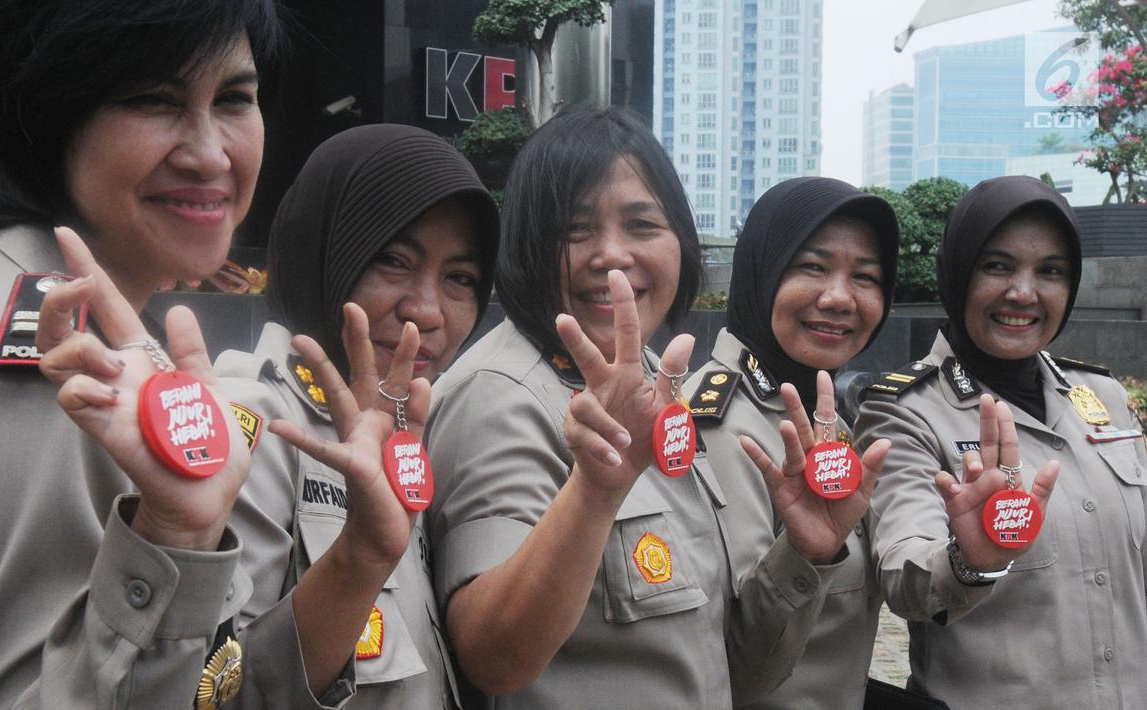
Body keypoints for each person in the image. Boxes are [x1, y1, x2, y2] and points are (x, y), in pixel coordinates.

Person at [424, 107, 884, 708]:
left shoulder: (653, 383)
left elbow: (729, 671)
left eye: (642, 225)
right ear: (528, 245)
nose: (612, 255)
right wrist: (594, 492)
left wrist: (807, 551)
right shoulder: (501, 393)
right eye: (575, 229)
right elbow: (493, 658)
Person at [0, 1, 290, 706]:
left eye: (234, 99)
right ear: (45, 114)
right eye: (154, 99)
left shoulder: (70, 330)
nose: (211, 153)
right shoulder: (51, 376)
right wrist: (178, 538)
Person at [212, 124, 499, 708]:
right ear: (321, 248)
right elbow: (211, 691)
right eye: (393, 261)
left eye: (460, 279)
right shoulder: (256, 422)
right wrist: (356, 560)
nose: (425, 311)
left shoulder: (402, 427)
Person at [855, 175, 1147, 708]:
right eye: (997, 266)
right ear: (959, 273)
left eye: (1051, 272)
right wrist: (971, 560)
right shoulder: (906, 411)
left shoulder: (1101, 394)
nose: (1023, 292)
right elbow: (905, 578)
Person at [681, 177, 899, 709]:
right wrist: (806, 553)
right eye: (813, 267)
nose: (839, 298)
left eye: (865, 277)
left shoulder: (820, 412)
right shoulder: (716, 425)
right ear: (762, 270)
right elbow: (724, 663)